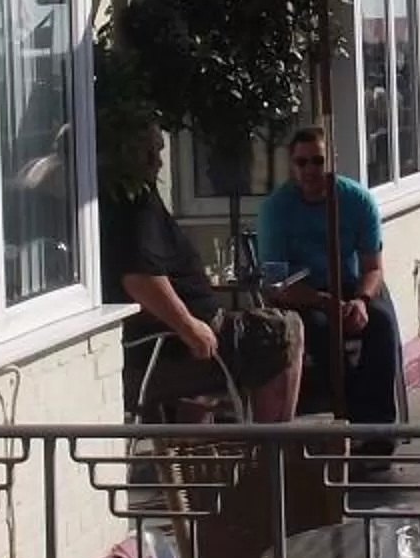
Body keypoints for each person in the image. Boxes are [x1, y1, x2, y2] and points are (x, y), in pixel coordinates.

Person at [102, 127, 302, 420]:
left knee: (271, 330)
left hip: (173, 339)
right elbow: (139, 278)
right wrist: (188, 327)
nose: (158, 162)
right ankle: (272, 452)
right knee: (282, 330)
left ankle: (253, 449)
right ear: (127, 155)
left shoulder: (120, 199)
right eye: (152, 153)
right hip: (173, 345)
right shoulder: (133, 203)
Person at [255, 126, 402, 429]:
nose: (310, 170)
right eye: (302, 162)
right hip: (301, 293)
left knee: (382, 323)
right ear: (291, 165)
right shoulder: (275, 209)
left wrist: (360, 301)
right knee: (321, 331)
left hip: (350, 285)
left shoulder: (357, 200)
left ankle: (380, 426)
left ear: (332, 161)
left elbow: (373, 267)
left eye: (318, 161)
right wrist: (323, 302)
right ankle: (350, 416)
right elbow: (275, 282)